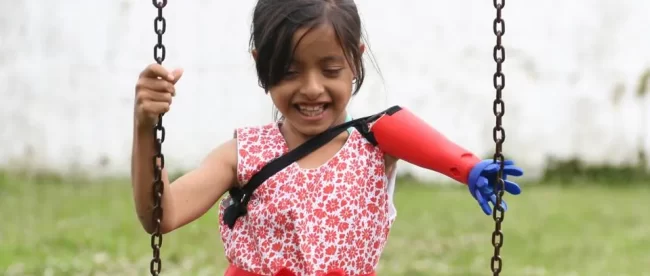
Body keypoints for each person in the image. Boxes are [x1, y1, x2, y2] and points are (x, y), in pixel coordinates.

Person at [131, 0, 524, 275]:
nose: (312, 88)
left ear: (356, 58)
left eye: (331, 69)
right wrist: (146, 125)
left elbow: (419, 137)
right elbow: (163, 215)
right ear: (260, 64)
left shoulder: (376, 144)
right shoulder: (241, 155)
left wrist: (469, 169)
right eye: (289, 71)